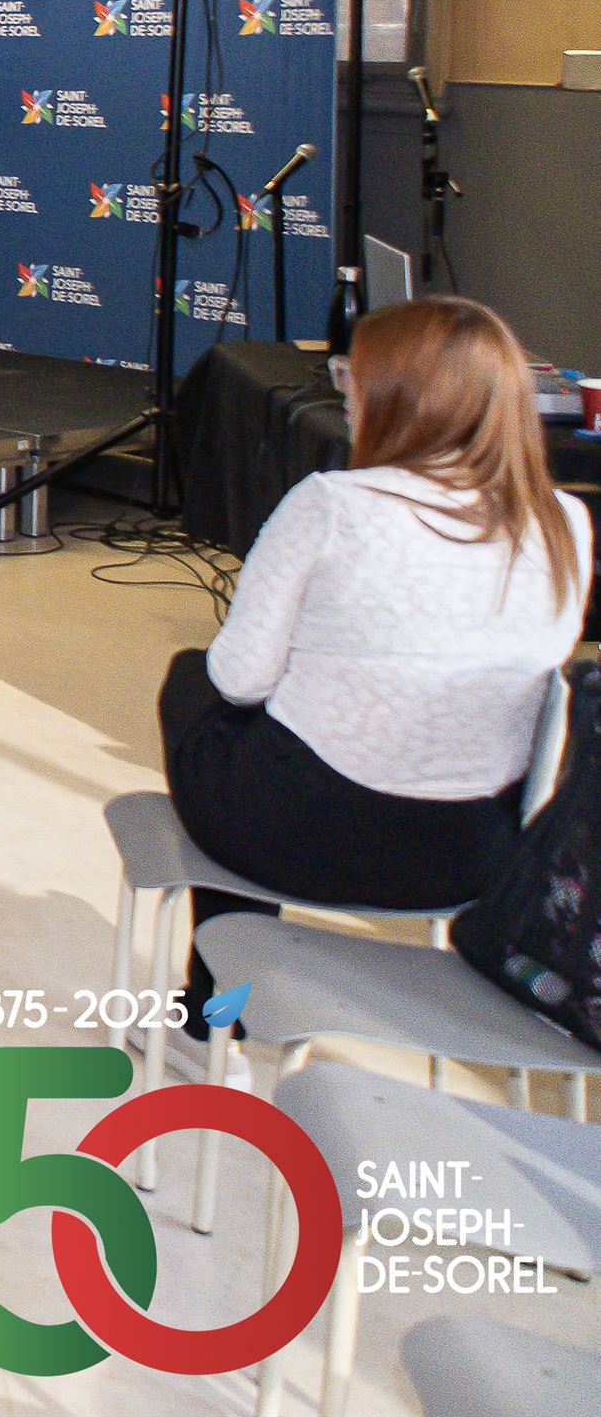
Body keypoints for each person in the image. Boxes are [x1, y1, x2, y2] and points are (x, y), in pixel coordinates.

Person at [161, 295, 587, 1018]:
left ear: (399, 401)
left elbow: (239, 680)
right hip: (471, 856)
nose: (345, 397)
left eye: (352, 379)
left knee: (195, 682)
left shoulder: (331, 503)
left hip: (303, 840)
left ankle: (214, 1017)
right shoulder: (565, 521)